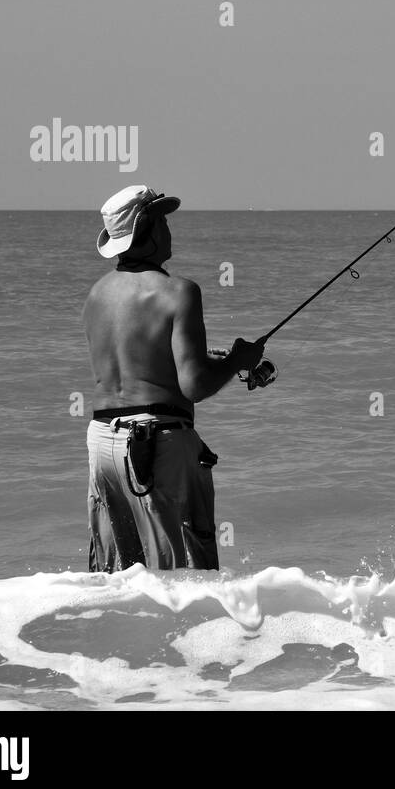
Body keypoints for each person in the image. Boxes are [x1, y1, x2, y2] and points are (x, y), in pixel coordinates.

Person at [82, 185, 264, 572]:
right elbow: (194, 386)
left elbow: (134, 365)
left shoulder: (96, 294)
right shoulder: (180, 291)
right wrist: (238, 360)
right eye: (162, 221)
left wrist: (209, 358)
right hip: (158, 444)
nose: (169, 229)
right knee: (183, 578)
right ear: (145, 229)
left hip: (101, 441)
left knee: (117, 577)